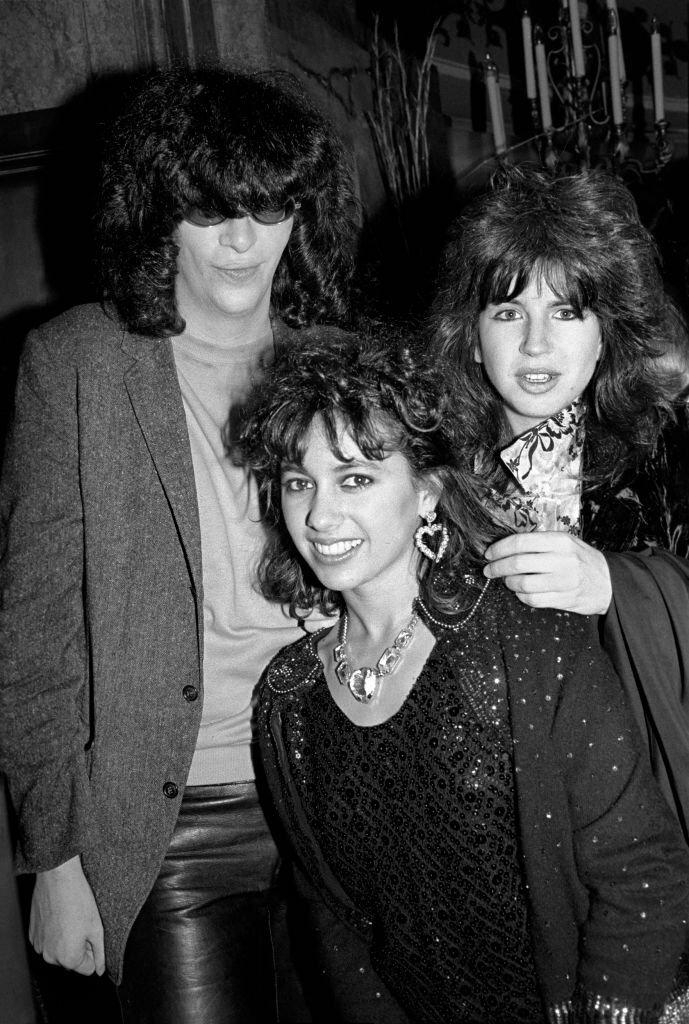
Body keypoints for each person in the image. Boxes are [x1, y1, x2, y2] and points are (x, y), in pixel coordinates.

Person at [0, 63, 354, 1023]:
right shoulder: (77, 362)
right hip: (169, 825)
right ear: (160, 216)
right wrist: (58, 859)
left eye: (271, 207)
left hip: (338, 795)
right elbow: (32, 634)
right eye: (212, 210)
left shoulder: (337, 362)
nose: (245, 240)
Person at [240, 328, 689, 1023]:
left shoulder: (526, 640)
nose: (319, 514)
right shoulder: (288, 699)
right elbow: (337, 925)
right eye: (300, 482)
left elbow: (645, 878)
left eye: (355, 477)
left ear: (426, 490)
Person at [430, 163, 689, 842]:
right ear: (471, 332)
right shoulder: (424, 469)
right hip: (476, 834)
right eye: (508, 310)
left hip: (640, 833)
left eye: (567, 311)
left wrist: (612, 585)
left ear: (607, 330)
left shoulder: (666, 454)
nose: (535, 344)